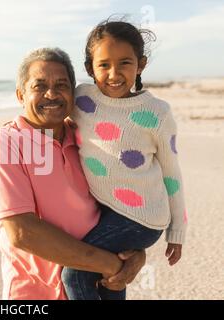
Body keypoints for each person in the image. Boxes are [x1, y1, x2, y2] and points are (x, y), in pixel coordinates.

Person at [0, 47, 146, 300]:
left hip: (98, 286)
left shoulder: (88, 137)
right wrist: (111, 264)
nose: (52, 94)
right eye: (39, 86)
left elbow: (120, 203)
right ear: (20, 94)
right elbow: (22, 233)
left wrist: (136, 254)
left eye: (62, 84)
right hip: (35, 294)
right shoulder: (5, 144)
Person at [61, 19, 188, 300]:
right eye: (104, 64)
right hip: (106, 212)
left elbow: (172, 173)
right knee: (110, 276)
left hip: (142, 218)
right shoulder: (82, 99)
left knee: (75, 271)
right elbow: (55, 119)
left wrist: (177, 229)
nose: (114, 73)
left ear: (140, 64)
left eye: (125, 63)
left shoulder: (156, 113)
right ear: (89, 68)